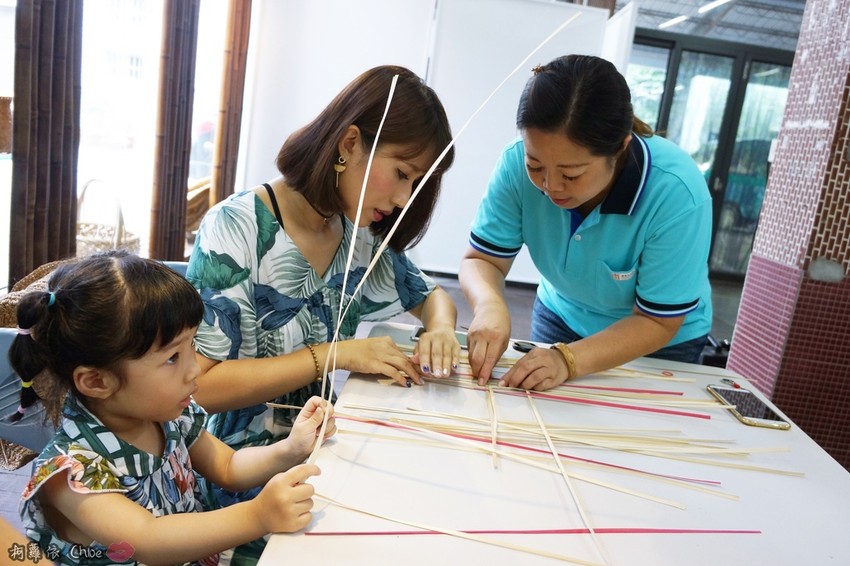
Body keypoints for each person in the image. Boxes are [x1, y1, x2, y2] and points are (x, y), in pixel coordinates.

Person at [185, 65, 459, 560]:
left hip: (316, 454)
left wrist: (440, 328)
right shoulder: (236, 226)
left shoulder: (356, 234)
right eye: (401, 173)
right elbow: (198, 387)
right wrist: (338, 354)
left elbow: (431, 295)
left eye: (415, 183)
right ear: (350, 143)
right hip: (235, 477)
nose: (401, 199)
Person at [10, 251, 336, 565]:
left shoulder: (169, 414)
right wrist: (257, 515)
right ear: (96, 382)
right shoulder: (73, 473)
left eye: (191, 345)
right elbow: (148, 540)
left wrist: (290, 449)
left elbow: (228, 465)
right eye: (171, 358)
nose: (194, 369)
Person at [459, 54, 713, 391]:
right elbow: (481, 260)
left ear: (620, 148)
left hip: (660, 343)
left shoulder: (675, 192)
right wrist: (490, 305)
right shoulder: (514, 165)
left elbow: (657, 321)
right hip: (562, 316)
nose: (550, 186)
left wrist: (569, 359)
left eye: (571, 174)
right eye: (536, 167)